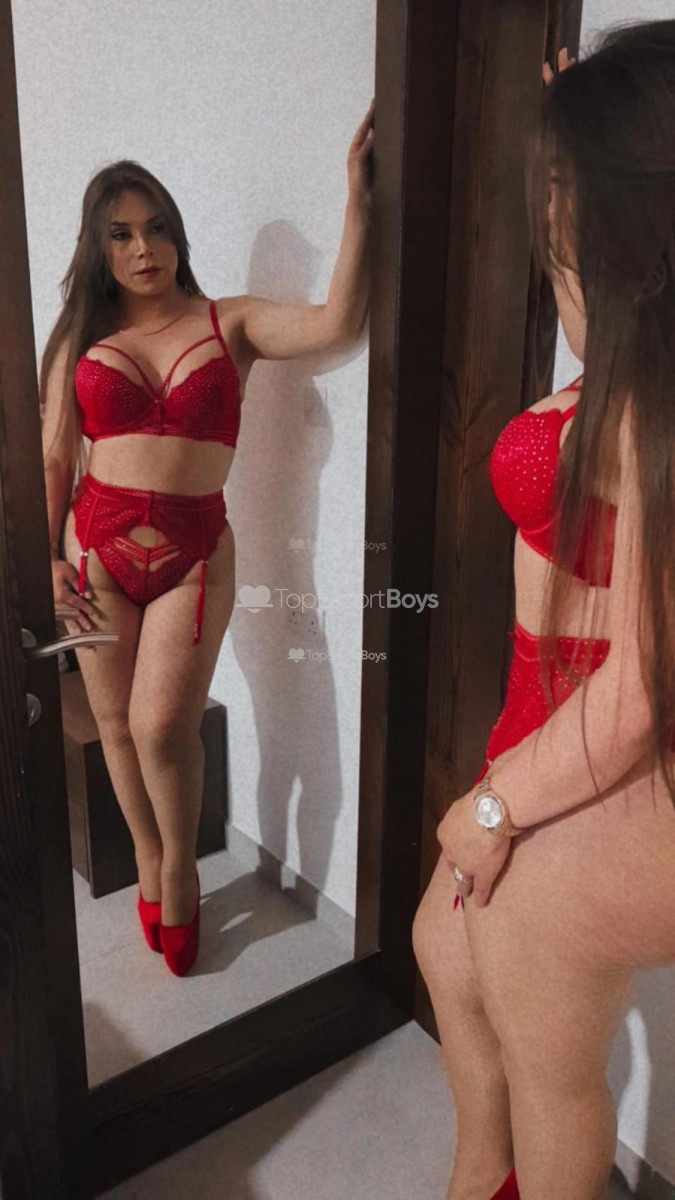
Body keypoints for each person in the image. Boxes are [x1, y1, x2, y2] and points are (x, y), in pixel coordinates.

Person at [413, 26, 675, 1200]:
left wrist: (499, 801)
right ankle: (490, 1175)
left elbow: (641, 694)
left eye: (569, 190)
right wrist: (583, 136)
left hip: (609, 728)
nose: (551, 216)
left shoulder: (660, 400)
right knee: (445, 948)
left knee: (546, 1053)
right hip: (546, 702)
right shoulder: (623, 344)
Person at [42, 102, 373, 976]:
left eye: (156, 227)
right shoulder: (81, 337)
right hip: (93, 553)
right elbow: (53, 456)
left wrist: (358, 203)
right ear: (98, 248)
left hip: (194, 554)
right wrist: (45, 560)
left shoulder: (233, 322)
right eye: (120, 234)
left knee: (160, 727)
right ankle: (149, 857)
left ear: (177, 234)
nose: (143, 247)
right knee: (115, 726)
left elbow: (339, 323)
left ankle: (181, 869)